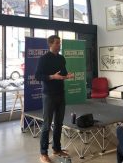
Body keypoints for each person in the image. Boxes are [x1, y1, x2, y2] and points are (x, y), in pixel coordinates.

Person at [35, 35, 74, 163]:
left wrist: (67, 76)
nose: (59, 45)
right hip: (49, 95)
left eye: (59, 43)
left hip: (60, 94)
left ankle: (57, 149)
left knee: (59, 124)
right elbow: (38, 76)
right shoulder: (43, 59)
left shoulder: (62, 58)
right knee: (46, 125)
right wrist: (52, 77)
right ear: (50, 44)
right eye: (57, 43)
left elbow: (62, 73)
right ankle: (43, 153)